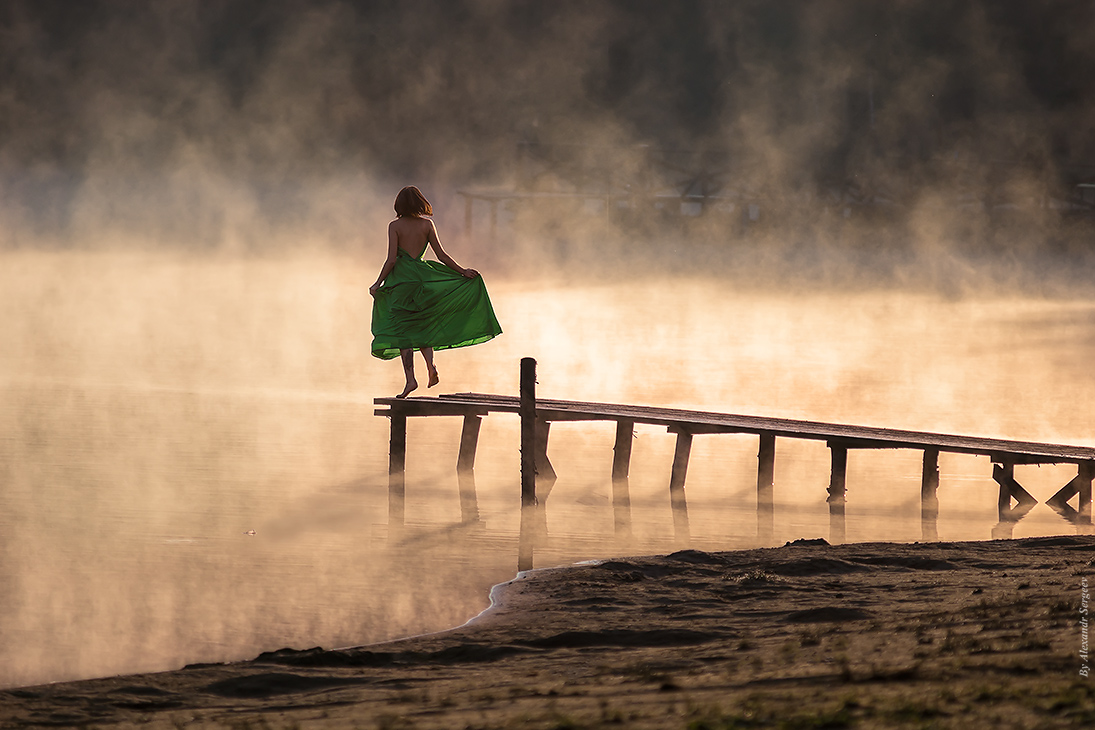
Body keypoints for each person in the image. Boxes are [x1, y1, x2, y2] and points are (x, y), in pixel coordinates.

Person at [369, 186, 502, 398]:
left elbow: (392, 259)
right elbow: (441, 255)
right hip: (422, 281)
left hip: (402, 283)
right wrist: (462, 271)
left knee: (404, 333)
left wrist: (377, 283)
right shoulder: (427, 225)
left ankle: (411, 380)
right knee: (423, 325)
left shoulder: (394, 226)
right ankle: (430, 366)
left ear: (399, 205)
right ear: (419, 203)